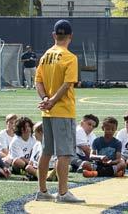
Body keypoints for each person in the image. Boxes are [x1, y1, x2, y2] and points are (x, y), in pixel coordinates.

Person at [34, 19, 85, 203]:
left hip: (47, 111)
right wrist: (54, 101)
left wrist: (45, 100)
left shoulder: (45, 55)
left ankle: (42, 191)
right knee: (64, 153)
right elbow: (67, 84)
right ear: (70, 36)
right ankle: (63, 193)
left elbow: (37, 81)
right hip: (62, 110)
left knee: (46, 152)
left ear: (54, 35)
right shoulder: (70, 57)